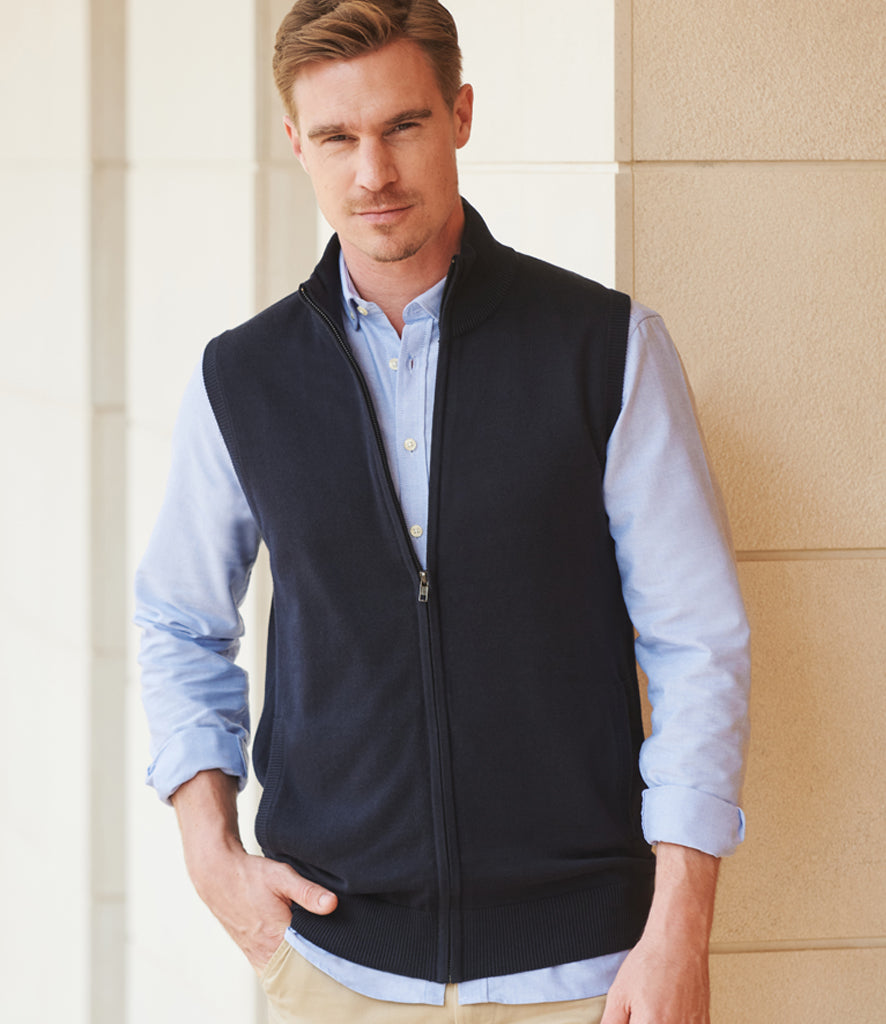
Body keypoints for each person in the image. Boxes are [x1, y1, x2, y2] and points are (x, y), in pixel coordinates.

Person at [134, 2, 750, 1022]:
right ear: (296, 143)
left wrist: (679, 929)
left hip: (589, 980)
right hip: (336, 972)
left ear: (460, 114)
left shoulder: (604, 349)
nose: (371, 171)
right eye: (337, 136)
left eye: (403, 125)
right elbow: (177, 620)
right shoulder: (243, 378)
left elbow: (697, 643)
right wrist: (212, 856)